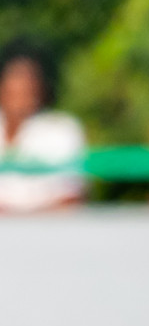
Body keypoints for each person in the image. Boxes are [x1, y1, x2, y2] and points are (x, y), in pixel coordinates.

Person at [0, 41, 87, 213]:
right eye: (15, 77)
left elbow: (72, 196)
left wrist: (24, 222)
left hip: (47, 233)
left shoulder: (62, 129)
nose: (22, 87)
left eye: (29, 79)